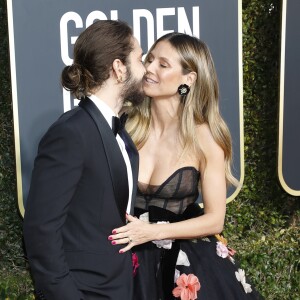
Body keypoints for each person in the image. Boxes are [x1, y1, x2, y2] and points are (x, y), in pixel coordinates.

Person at [110, 32, 263, 299]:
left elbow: (216, 219)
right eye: (150, 59)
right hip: (127, 256)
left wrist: (154, 231)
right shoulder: (124, 125)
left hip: (185, 261)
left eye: (163, 64)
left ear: (188, 80)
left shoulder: (205, 137)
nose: (149, 69)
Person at [23, 20, 145, 300]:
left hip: (120, 287)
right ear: (118, 68)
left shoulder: (121, 134)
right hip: (84, 291)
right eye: (139, 59)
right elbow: (40, 230)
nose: (145, 68)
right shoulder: (71, 132)